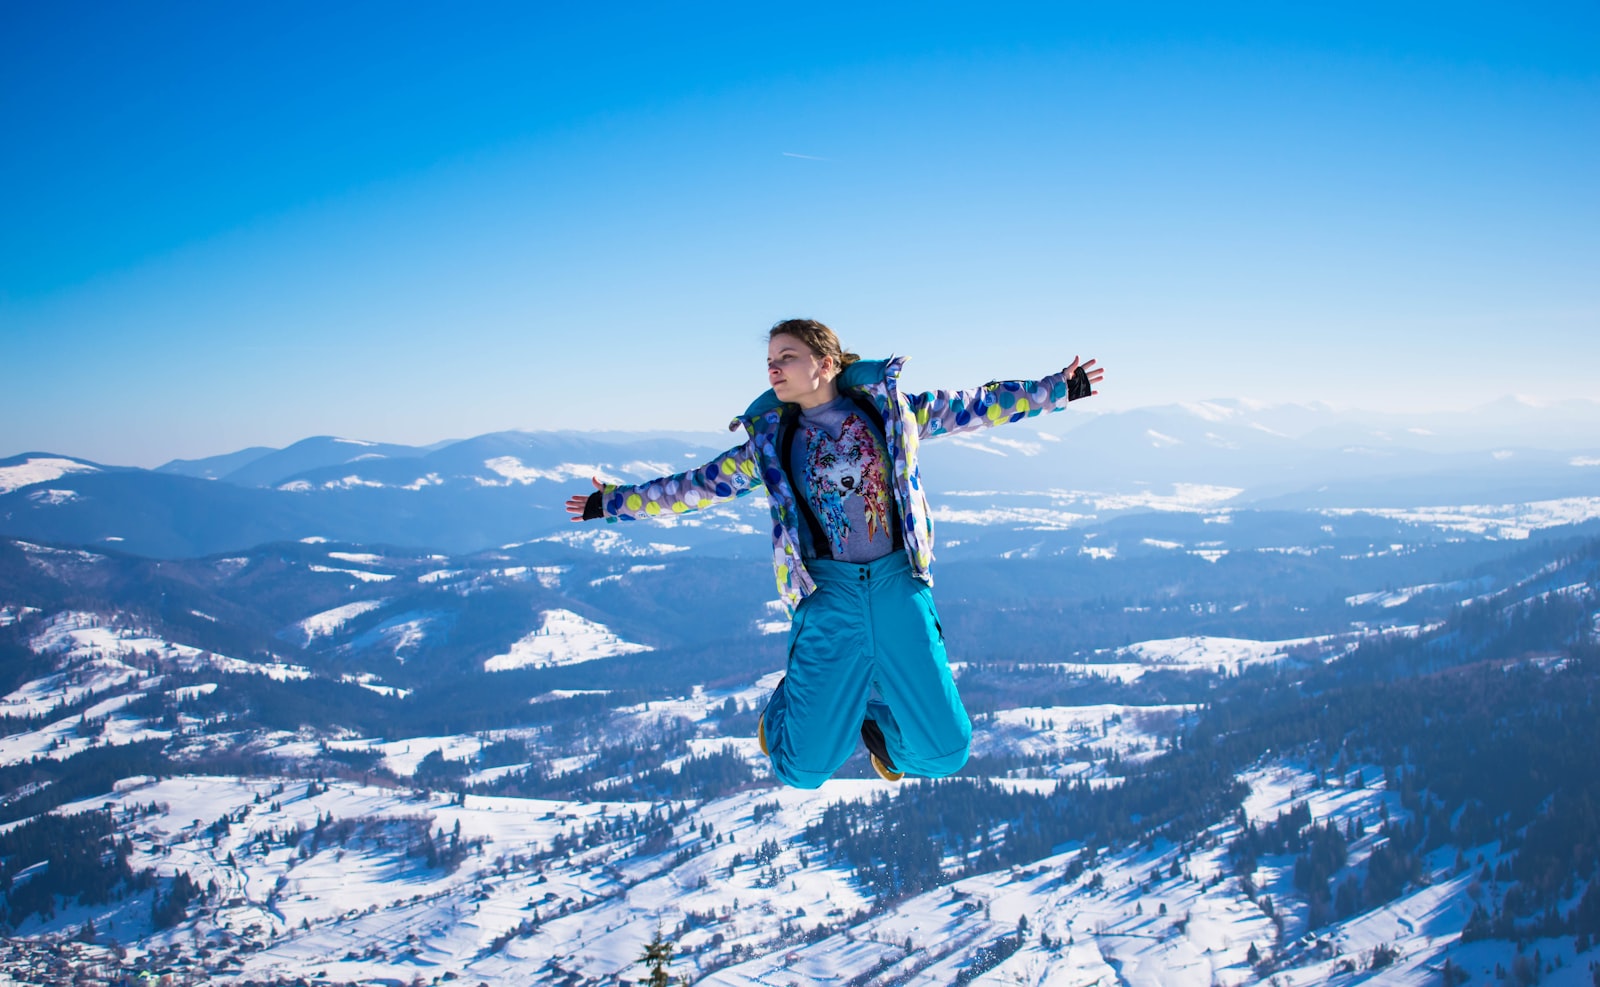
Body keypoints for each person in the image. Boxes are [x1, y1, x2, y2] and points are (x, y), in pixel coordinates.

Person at [565, 318, 1104, 788]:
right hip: (829, 596)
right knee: (801, 770)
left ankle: (879, 731)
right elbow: (693, 488)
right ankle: (791, 699)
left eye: (787, 357)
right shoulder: (771, 442)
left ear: (825, 363)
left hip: (899, 586)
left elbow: (980, 405)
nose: (773, 368)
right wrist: (610, 502)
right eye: (770, 360)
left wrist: (1061, 387)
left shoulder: (892, 412)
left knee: (946, 752)